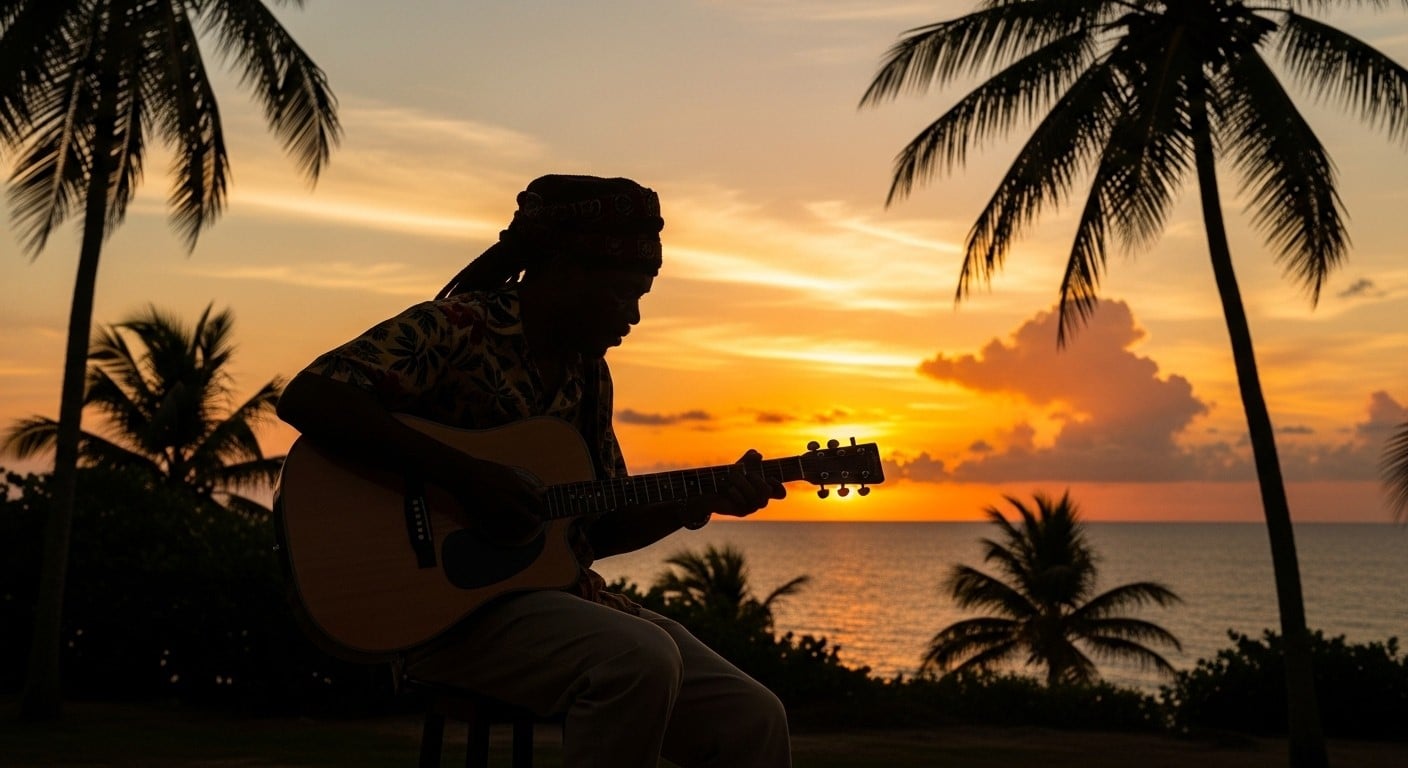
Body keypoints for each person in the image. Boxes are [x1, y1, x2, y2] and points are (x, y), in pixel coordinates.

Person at [276, 174, 792, 767]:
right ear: (567, 271)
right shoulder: (458, 327)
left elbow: (595, 527)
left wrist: (694, 503)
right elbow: (311, 395)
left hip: (554, 603)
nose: (634, 315)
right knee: (640, 659)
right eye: (623, 293)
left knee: (753, 718)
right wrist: (468, 477)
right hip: (444, 616)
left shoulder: (588, 374)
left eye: (641, 296)